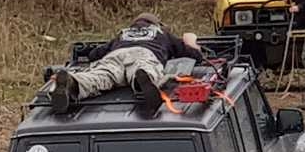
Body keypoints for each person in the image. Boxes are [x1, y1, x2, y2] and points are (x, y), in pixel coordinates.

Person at [45, 13, 205, 115]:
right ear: (157, 25)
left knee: (102, 75)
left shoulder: (122, 35)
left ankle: (75, 83)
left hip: (115, 55)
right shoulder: (162, 34)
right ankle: (142, 81)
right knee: (144, 68)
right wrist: (191, 41)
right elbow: (194, 55)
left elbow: (95, 55)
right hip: (143, 54)